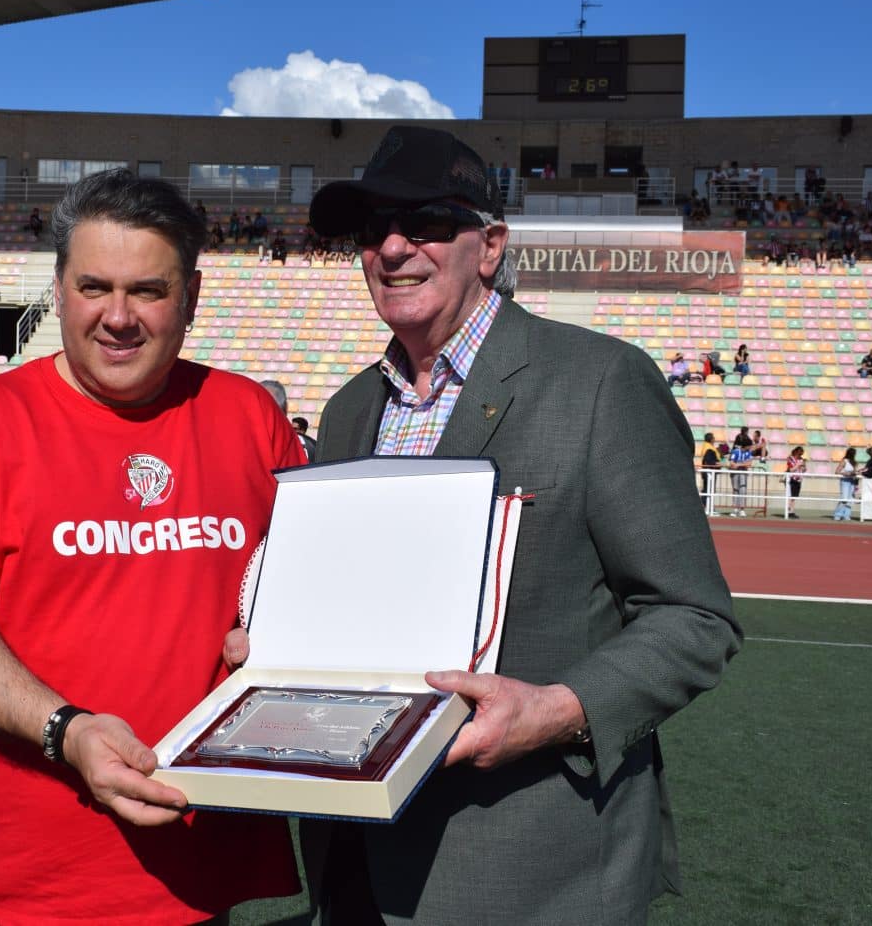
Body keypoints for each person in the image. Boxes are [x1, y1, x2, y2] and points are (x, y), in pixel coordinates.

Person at [242, 125, 738, 924]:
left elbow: (693, 617)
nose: (394, 248)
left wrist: (557, 710)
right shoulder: (348, 410)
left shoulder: (601, 382)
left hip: (533, 870)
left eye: (428, 223)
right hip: (355, 860)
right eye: (373, 231)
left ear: (491, 245)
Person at [0, 168, 302, 925]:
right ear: (59, 289)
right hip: (29, 886)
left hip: (200, 868)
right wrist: (66, 730)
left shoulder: (249, 416)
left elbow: (314, 598)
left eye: (147, 290)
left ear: (192, 298)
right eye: (94, 287)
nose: (118, 316)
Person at [699, 431, 724, 515]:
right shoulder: (708, 448)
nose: (714, 439)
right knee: (708, 490)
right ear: (710, 439)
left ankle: (707, 507)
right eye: (713, 438)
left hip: (708, 472)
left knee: (707, 489)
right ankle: (707, 507)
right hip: (709, 472)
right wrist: (717, 464)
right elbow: (709, 460)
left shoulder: (708, 447)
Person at [728, 437, 753, 516]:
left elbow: (749, 463)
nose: (750, 447)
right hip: (735, 473)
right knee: (735, 489)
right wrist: (741, 464)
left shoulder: (748, 453)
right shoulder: (735, 451)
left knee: (743, 489)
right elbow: (732, 463)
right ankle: (735, 508)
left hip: (743, 473)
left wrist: (739, 464)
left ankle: (742, 509)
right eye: (749, 446)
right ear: (746, 446)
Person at [833, 447, 859, 521]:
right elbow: (837, 471)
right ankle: (838, 514)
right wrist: (845, 473)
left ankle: (846, 515)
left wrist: (855, 473)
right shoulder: (844, 461)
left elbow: (855, 472)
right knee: (844, 498)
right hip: (845, 481)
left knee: (850, 499)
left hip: (852, 481)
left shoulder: (855, 462)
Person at [784, 445, 806, 518]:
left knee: (794, 497)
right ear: (796, 452)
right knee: (790, 496)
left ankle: (792, 511)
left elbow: (804, 470)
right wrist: (798, 465)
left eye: (801, 454)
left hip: (798, 479)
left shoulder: (801, 459)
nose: (800, 456)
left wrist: (804, 467)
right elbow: (790, 470)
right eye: (799, 454)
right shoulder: (790, 458)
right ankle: (788, 511)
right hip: (791, 479)